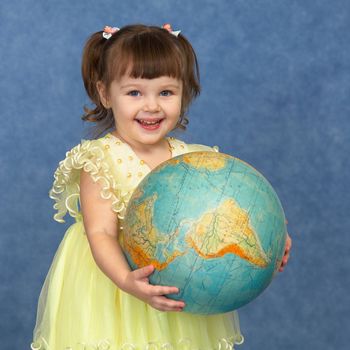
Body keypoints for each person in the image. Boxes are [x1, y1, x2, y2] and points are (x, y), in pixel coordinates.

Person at [31, 24, 291, 350]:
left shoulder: (195, 160)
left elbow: (235, 207)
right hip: (116, 294)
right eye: (134, 92)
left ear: (184, 92)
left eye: (165, 92)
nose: (152, 106)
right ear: (105, 93)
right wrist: (127, 281)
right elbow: (100, 233)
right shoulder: (100, 161)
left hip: (179, 291)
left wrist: (271, 237)